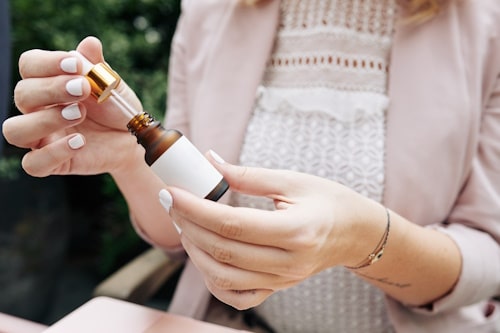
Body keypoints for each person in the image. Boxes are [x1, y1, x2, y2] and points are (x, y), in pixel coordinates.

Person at [3, 0, 500, 332]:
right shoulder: (211, 11)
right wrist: (128, 159)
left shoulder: (485, 23)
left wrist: (366, 240)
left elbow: (488, 257)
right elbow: (181, 230)